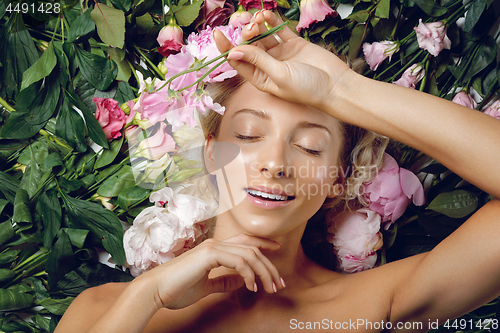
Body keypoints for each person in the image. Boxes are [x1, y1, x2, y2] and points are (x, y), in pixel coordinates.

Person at [55, 10, 500, 333]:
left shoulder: (376, 305)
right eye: (249, 135)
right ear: (212, 155)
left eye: (309, 146)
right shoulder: (106, 308)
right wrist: (147, 296)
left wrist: (342, 90)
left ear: (336, 180)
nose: (276, 163)